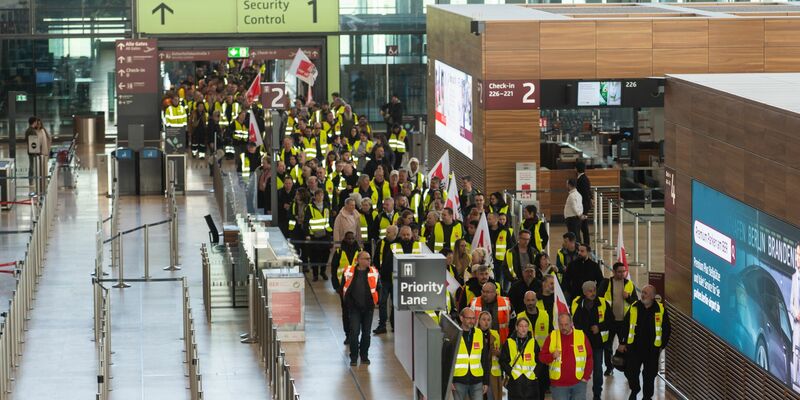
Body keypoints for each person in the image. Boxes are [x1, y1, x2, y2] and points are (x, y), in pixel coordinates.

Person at [618, 285, 671, 400]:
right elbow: (625, 326)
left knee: (649, 376)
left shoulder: (660, 310)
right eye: (642, 292)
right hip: (634, 348)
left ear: (652, 296)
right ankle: (635, 389)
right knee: (631, 372)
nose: (642, 295)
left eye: (646, 293)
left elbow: (667, 330)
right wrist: (622, 342)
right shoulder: (634, 307)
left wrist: (661, 346)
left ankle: (647, 396)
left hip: (651, 351)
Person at [570, 281, 610, 400]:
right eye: (590, 291)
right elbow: (573, 320)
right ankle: (578, 393)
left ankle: (597, 394)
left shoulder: (603, 303)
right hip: (581, 343)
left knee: (597, 369)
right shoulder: (576, 303)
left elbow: (610, 322)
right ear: (584, 292)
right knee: (579, 369)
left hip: (597, 343)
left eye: (594, 290)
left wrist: (599, 327)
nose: (593, 293)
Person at [539, 314, 593, 400]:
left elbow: (589, 358)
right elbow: (541, 357)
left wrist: (585, 378)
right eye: (561, 324)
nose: (563, 327)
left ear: (571, 323)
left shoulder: (581, 335)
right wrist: (552, 356)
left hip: (579, 383)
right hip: (559, 386)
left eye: (566, 324)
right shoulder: (552, 336)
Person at [599, 262, 638, 375]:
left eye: (624, 271)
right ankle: (609, 367)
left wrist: (628, 297)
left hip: (623, 323)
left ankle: (628, 367)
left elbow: (636, 303)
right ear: (614, 272)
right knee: (607, 346)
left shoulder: (629, 284)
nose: (622, 274)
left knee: (626, 346)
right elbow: (599, 299)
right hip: (609, 322)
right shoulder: (606, 283)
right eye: (619, 272)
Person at [342, 251, 381, 366]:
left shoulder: (374, 272)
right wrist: (348, 303)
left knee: (366, 333)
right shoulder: (348, 272)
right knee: (354, 332)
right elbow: (343, 288)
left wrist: (377, 301)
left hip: (368, 308)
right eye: (365, 259)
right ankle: (353, 357)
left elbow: (379, 287)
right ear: (358, 260)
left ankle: (364, 355)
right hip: (354, 308)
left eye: (369, 259)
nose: (368, 261)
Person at [452, 308, 490, 400]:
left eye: (473, 318)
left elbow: (484, 359)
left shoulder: (479, 333)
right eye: (469, 318)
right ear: (461, 318)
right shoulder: (454, 333)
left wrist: (486, 381)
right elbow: (447, 360)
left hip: (477, 380)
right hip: (458, 380)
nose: (472, 321)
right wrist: (449, 381)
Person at [331, 231, 361, 344]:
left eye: (352, 239)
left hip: (357, 287)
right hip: (343, 287)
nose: (350, 241)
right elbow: (334, 270)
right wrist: (336, 286)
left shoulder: (359, 252)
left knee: (356, 312)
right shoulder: (339, 252)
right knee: (346, 312)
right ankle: (348, 335)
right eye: (348, 239)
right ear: (344, 239)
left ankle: (355, 335)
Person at [500, 318, 540, 400]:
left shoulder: (533, 342)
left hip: (530, 384)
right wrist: (511, 372)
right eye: (521, 326)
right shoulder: (509, 342)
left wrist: (535, 374)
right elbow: (502, 361)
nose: (523, 328)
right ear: (516, 327)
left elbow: (540, 360)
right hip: (515, 383)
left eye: (526, 326)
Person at [306, 189, 333, 281]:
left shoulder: (326, 206)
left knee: (325, 254)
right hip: (314, 235)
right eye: (319, 195)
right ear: (315, 196)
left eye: (322, 195)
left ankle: (323, 271)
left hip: (325, 235)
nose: (320, 197)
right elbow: (306, 222)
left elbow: (329, 219)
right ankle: (315, 274)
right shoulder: (310, 207)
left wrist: (330, 232)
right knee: (314, 256)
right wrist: (308, 234)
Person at [478, 311, 503, 400]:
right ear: (479, 321)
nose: (486, 322)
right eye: (483, 319)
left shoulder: (495, 334)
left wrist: (498, 353)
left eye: (488, 320)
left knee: (492, 396)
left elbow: (502, 354)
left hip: (493, 372)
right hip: (478, 371)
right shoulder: (475, 334)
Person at [576, 162, 592, 245]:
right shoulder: (583, 178)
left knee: (583, 227)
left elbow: (586, 194)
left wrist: (585, 210)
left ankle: (586, 244)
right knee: (583, 226)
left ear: (576, 169)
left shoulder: (582, 179)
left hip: (583, 206)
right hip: (583, 205)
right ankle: (586, 243)